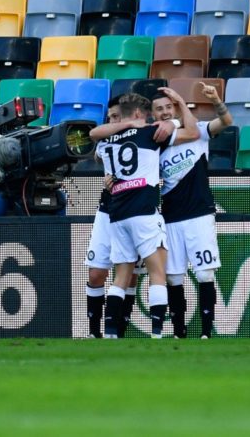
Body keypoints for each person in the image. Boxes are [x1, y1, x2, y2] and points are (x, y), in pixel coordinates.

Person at [90, 93, 199, 338]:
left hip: (117, 214)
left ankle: (109, 333)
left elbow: (92, 134)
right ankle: (157, 333)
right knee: (157, 272)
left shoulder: (107, 142)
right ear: (140, 114)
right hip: (143, 209)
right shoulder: (150, 133)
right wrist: (180, 105)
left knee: (121, 277)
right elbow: (194, 133)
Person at [153, 84, 233, 339]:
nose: (165, 112)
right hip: (171, 216)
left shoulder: (198, 131)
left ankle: (206, 333)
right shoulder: (155, 144)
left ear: (176, 108)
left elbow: (226, 120)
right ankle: (179, 332)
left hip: (199, 214)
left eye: (169, 107)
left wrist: (210, 99)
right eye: (159, 109)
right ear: (153, 115)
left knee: (204, 273)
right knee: (174, 278)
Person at [85, 96, 141, 338]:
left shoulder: (144, 137)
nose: (112, 121)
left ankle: (119, 331)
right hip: (107, 210)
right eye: (110, 118)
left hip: (135, 210)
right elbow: (95, 136)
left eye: (117, 116)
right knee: (96, 273)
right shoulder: (107, 139)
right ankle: (94, 333)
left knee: (129, 276)